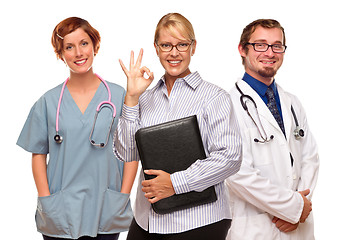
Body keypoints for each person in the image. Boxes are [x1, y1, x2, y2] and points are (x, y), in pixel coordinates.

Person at [113, 13, 242, 240]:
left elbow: (230, 157)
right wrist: (131, 98)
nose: (174, 53)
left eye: (182, 44)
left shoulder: (215, 97)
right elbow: (126, 153)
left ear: (193, 47)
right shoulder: (144, 99)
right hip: (147, 222)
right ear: (156, 48)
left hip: (200, 221)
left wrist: (175, 183)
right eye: (166, 45)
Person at [16, 17, 134, 240]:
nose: (78, 52)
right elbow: (38, 155)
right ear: (60, 54)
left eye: (84, 43)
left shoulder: (119, 96)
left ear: (95, 45)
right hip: (61, 210)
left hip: (105, 207)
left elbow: (132, 152)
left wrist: (123, 196)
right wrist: (46, 200)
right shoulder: (48, 102)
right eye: (69, 47)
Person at [225, 19, 319, 239]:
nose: (270, 52)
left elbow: (310, 158)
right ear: (242, 49)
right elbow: (236, 171)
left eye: (277, 45)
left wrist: (300, 208)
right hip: (257, 228)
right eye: (260, 44)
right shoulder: (227, 106)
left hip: (298, 228)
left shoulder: (292, 103)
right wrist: (290, 208)